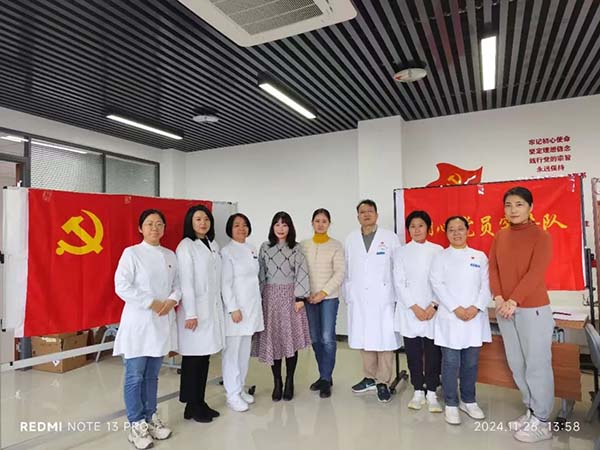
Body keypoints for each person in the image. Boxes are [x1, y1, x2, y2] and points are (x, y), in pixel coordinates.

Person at [489, 186, 554, 443]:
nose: (513, 210)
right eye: (508, 205)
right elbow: (493, 269)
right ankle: (531, 410)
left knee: (537, 364)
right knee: (517, 364)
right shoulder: (500, 236)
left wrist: (513, 300)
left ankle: (543, 420)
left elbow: (535, 273)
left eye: (519, 204)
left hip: (532, 309)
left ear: (530, 208)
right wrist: (498, 297)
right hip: (505, 309)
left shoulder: (541, 236)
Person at [114, 209, 180, 449]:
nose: (155, 228)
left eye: (159, 224)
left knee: (152, 375)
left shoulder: (170, 255)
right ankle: (136, 424)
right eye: (150, 224)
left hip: (161, 323)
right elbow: (121, 286)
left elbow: (177, 285)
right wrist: (150, 302)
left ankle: (151, 417)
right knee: (135, 376)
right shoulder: (132, 253)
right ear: (140, 228)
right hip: (138, 323)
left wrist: (172, 300)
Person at [430, 216, 492, 425]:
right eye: (451, 230)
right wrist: (456, 308)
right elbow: (437, 284)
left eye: (460, 229)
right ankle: (451, 403)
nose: (456, 233)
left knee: (471, 362)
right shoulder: (440, 257)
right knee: (450, 362)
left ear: (468, 231)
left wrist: (475, 307)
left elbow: (487, 286)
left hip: (474, 318)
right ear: (446, 233)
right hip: (450, 317)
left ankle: (468, 400)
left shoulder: (479, 257)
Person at [344, 199, 401, 403]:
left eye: (370, 211)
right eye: (362, 212)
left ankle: (383, 381)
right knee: (365, 338)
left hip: (384, 297)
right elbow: (347, 269)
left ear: (376, 215)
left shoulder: (390, 238)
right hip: (359, 297)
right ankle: (369, 377)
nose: (366, 214)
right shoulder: (351, 239)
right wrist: (348, 293)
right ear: (357, 216)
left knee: (385, 340)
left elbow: (398, 267)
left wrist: (398, 296)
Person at [252, 211, 311, 401]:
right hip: (270, 298)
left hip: (290, 297)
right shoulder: (265, 247)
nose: (280, 228)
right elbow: (260, 274)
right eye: (277, 224)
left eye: (284, 224)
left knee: (289, 340)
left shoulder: (296, 248)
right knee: (274, 340)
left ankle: (290, 380)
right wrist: (258, 297)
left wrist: (300, 298)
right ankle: (277, 382)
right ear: (272, 227)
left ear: (290, 227)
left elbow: (302, 272)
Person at [176, 204, 224, 423]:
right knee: (193, 359)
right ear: (190, 222)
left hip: (210, 309)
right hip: (194, 312)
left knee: (204, 358)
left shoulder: (213, 245)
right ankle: (192, 404)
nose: (203, 223)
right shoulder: (186, 246)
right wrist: (191, 314)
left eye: (206, 219)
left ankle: (198, 402)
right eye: (198, 219)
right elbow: (186, 281)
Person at [393, 210, 443, 412]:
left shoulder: (438, 250)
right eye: (412, 226)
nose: (416, 230)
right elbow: (399, 282)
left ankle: (431, 391)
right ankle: (418, 390)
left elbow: (442, 281)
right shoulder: (401, 252)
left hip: (432, 311)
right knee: (413, 353)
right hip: (409, 310)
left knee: (433, 353)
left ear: (428, 227)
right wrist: (414, 307)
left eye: (420, 225)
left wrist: (434, 305)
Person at [220, 213, 265, 412]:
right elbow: (225, 283)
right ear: (230, 229)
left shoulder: (251, 248)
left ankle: (240, 388)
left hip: (251, 309)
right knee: (232, 353)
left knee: (244, 352)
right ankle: (231, 394)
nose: (241, 228)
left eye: (245, 225)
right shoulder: (227, 251)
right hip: (236, 312)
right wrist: (233, 308)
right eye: (237, 225)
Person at [300, 208, 345, 398]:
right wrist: (305, 293)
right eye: (317, 221)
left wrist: (323, 293)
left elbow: (340, 272)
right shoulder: (303, 245)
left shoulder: (336, 245)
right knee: (315, 338)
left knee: (327, 338)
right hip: (309, 298)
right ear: (312, 223)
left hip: (328, 298)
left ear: (329, 224)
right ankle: (324, 374)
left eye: (324, 221)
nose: (320, 224)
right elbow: (299, 271)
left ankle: (326, 379)